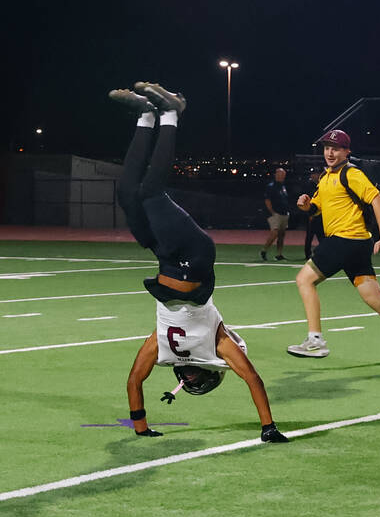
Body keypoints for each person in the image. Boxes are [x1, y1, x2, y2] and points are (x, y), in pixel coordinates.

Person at [109, 82, 287, 443]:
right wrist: (268, 427)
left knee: (128, 194)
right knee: (151, 193)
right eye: (194, 380)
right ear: (209, 374)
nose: (187, 378)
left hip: (165, 257)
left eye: (185, 381)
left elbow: (134, 380)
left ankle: (145, 117)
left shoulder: (160, 346)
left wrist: (141, 428)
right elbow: (252, 377)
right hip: (195, 256)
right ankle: (172, 112)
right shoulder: (217, 348)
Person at [288, 129, 380, 371]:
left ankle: (315, 340)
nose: (330, 152)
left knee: (304, 279)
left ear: (347, 151)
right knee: (373, 298)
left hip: (346, 240)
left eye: (335, 148)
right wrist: (305, 205)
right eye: (327, 148)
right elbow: (316, 209)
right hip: (355, 244)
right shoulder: (325, 178)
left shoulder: (351, 174)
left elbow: (378, 200)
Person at [261, 166, 290, 261]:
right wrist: (272, 212)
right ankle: (264, 250)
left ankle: (279, 254)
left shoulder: (283, 186)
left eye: (283, 175)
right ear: (276, 175)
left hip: (284, 213)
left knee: (281, 235)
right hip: (275, 213)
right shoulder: (271, 186)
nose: (282, 176)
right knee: (275, 232)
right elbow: (267, 200)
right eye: (280, 174)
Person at [303, 168, 324, 260]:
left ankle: (322, 252)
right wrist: (310, 214)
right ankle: (308, 254)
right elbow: (307, 202)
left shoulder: (322, 185)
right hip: (312, 215)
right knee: (309, 236)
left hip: (321, 215)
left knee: (322, 236)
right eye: (313, 174)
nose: (315, 176)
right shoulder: (308, 186)